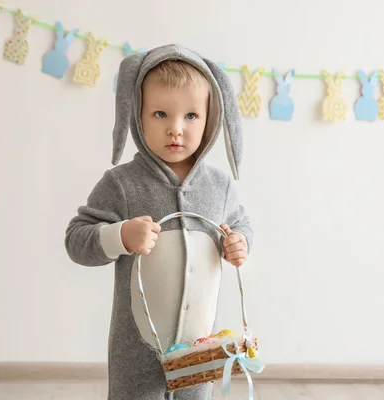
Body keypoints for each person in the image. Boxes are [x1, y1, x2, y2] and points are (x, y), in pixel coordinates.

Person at [64, 43, 254, 400]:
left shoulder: (219, 186)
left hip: (200, 345)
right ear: (137, 114)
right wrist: (119, 236)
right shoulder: (121, 184)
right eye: (161, 114)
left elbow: (241, 224)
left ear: (211, 118)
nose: (176, 129)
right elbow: (77, 240)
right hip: (136, 350)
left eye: (191, 116)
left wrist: (238, 242)